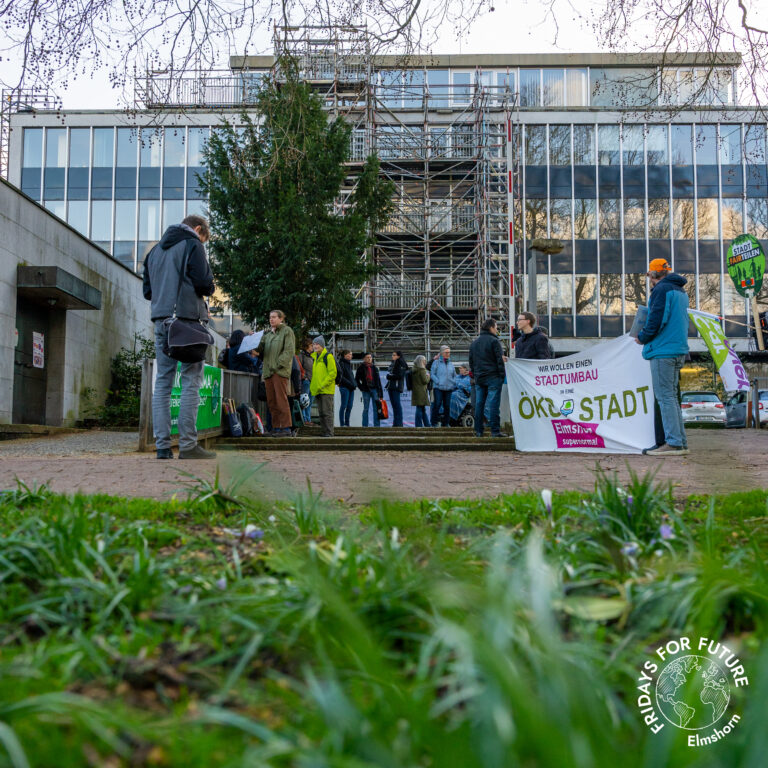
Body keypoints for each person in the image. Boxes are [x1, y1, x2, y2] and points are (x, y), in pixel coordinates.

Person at [142, 214, 216, 460]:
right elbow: (204, 283)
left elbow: (148, 291)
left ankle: (162, 447)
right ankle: (187, 446)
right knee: (191, 381)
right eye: (204, 239)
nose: (202, 244)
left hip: (161, 320)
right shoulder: (192, 244)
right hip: (186, 321)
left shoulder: (153, 253)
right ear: (197, 229)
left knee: (162, 383)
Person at [636, 258, 690, 456]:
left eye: (650, 274)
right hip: (677, 349)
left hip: (663, 350)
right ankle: (680, 441)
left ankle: (674, 442)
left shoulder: (661, 290)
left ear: (655, 274)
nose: (649, 278)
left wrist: (642, 337)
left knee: (665, 397)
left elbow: (656, 320)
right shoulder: (680, 291)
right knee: (672, 397)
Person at [256, 309, 296, 437]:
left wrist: (278, 365)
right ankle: (276, 427)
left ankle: (285, 428)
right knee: (272, 402)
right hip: (268, 372)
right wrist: (254, 340)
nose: (271, 319)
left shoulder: (287, 331)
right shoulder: (267, 336)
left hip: (279, 371)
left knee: (281, 400)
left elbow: (289, 351)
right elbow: (258, 350)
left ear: (281, 319)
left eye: (274, 317)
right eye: (270, 317)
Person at [469, 317, 507, 437]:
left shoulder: (474, 343)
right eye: (496, 328)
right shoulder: (495, 341)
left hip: (480, 378)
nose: (497, 330)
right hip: (493, 377)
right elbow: (499, 360)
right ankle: (495, 431)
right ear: (491, 328)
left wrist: (476, 375)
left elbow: (471, 362)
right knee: (493, 404)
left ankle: (478, 431)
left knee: (479, 404)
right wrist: (502, 376)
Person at [310, 336, 337, 437]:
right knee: (321, 413)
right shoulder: (315, 357)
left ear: (322, 345)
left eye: (317, 344)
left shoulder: (328, 357)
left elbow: (333, 373)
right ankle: (325, 432)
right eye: (314, 344)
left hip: (326, 390)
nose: (315, 346)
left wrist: (322, 384)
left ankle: (329, 433)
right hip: (318, 390)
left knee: (327, 412)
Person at [430, 345, 455, 427]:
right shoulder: (436, 362)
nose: (448, 354)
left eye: (449, 352)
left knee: (447, 406)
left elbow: (454, 375)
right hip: (438, 387)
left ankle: (446, 423)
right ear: (441, 353)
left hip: (449, 388)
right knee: (437, 404)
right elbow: (432, 374)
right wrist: (438, 382)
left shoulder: (451, 363)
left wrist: (453, 383)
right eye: (446, 352)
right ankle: (434, 422)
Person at [355, 353, 383, 427]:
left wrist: (381, 394)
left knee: (376, 409)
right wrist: (361, 388)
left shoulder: (375, 368)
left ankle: (377, 426)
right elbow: (356, 380)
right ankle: (365, 426)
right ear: (364, 359)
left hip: (375, 390)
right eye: (367, 357)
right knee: (366, 409)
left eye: (370, 357)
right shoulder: (361, 368)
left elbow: (378, 382)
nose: (369, 359)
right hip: (366, 390)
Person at [385, 350, 408, 427]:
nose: (392, 356)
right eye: (392, 355)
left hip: (396, 386)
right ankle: (396, 423)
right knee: (394, 405)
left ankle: (399, 423)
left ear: (398, 356)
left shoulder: (400, 363)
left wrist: (389, 376)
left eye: (394, 355)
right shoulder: (393, 363)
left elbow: (400, 375)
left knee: (397, 405)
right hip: (391, 386)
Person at [337, 349, 356, 427]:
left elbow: (351, 376)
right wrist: (350, 384)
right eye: (350, 354)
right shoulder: (341, 363)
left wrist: (355, 384)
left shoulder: (348, 364)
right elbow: (341, 377)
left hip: (351, 388)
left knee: (350, 406)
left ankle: (347, 423)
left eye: (351, 354)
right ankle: (342, 424)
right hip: (344, 387)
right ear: (345, 355)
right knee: (344, 406)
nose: (351, 356)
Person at [298, 338, 315, 424]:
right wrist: (304, 377)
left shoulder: (311, 356)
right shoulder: (301, 355)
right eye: (311, 345)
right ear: (307, 346)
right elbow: (299, 367)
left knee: (310, 402)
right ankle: (304, 419)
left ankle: (308, 419)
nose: (313, 347)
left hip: (312, 381)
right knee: (304, 401)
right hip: (306, 381)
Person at [411, 355, 431, 427]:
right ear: (421, 361)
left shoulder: (414, 369)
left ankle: (427, 425)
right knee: (420, 409)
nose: (425, 362)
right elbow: (425, 381)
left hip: (416, 391)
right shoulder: (422, 370)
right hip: (421, 392)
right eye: (424, 361)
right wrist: (428, 376)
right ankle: (419, 425)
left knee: (422, 409)